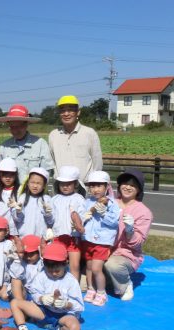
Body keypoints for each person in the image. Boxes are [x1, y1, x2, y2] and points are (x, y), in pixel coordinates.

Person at [11, 242, 84, 330]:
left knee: (75, 329)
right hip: (44, 311)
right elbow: (35, 293)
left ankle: (57, 328)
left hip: (63, 315)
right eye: (49, 271)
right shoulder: (41, 276)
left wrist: (67, 304)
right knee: (15, 302)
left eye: (57, 271)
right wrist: (41, 299)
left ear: (65, 264)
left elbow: (80, 306)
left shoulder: (71, 281)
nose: (53, 274)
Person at [105, 169, 153, 301]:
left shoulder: (144, 212)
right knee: (83, 283)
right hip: (103, 249)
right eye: (125, 183)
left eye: (132, 185)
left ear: (139, 189)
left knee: (113, 265)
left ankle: (125, 285)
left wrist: (130, 231)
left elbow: (138, 243)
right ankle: (108, 280)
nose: (127, 187)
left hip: (126, 254)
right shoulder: (110, 202)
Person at [79, 171, 121, 306]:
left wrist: (103, 213)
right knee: (89, 267)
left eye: (99, 186)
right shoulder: (87, 202)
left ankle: (102, 292)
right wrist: (83, 219)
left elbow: (114, 222)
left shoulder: (112, 204)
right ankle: (91, 289)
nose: (95, 189)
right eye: (92, 186)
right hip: (88, 239)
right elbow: (81, 217)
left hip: (102, 241)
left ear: (106, 187)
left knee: (97, 268)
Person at [48, 95, 103, 182]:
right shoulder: (53, 135)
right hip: (61, 188)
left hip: (84, 188)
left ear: (78, 112)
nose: (66, 114)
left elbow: (97, 163)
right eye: (62, 110)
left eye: (70, 110)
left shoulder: (89, 133)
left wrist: (93, 185)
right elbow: (52, 161)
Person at [0, 104, 55, 183]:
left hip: (34, 193)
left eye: (19, 127)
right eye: (12, 127)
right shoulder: (4, 146)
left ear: (26, 124)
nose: (15, 130)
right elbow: (0, 174)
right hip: (11, 193)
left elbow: (46, 172)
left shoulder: (40, 144)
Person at [50, 166, 86, 281]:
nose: (65, 186)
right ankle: (58, 285)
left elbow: (83, 216)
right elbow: (51, 218)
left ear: (75, 184)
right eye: (62, 183)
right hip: (58, 237)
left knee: (74, 265)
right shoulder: (54, 199)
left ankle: (74, 288)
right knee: (58, 263)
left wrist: (78, 224)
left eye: (68, 184)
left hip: (73, 238)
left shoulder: (79, 199)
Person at [11, 167, 54, 239]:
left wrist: (48, 214)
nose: (35, 186)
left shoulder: (47, 199)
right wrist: (18, 211)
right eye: (32, 182)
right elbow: (18, 219)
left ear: (44, 186)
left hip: (41, 238)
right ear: (27, 183)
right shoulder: (23, 198)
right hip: (24, 237)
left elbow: (51, 222)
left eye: (39, 183)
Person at [0, 158, 19, 237]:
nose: (8, 178)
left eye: (11, 175)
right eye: (5, 175)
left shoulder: (19, 191)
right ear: (0, 176)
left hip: (13, 229)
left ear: (15, 175)